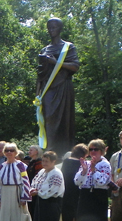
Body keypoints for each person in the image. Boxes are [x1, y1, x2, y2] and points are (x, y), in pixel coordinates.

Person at [36, 18, 80, 158]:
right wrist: (37, 94)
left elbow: (75, 66)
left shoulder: (68, 47)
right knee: (48, 117)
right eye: (49, 27)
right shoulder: (45, 49)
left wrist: (56, 62)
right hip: (48, 88)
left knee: (65, 119)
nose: (51, 30)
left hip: (63, 86)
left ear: (60, 28)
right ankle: (50, 150)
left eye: (54, 27)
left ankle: (65, 150)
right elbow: (40, 75)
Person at [73, 139, 111, 221]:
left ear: (102, 151)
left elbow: (101, 182)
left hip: (99, 195)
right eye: (91, 149)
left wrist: (94, 170)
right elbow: (77, 182)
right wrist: (84, 171)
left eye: (96, 149)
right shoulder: (86, 163)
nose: (93, 152)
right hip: (85, 195)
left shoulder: (105, 164)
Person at [0, 142, 32, 221]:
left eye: (12, 150)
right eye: (7, 150)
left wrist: (24, 197)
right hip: (5, 192)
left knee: (17, 218)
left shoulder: (20, 165)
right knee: (5, 218)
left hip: (17, 192)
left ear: (16, 152)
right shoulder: (2, 166)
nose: (9, 152)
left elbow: (25, 181)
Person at [30, 151, 65, 221]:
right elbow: (34, 182)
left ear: (53, 161)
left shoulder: (56, 173)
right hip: (41, 201)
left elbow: (53, 190)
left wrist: (38, 192)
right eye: (43, 161)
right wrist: (32, 189)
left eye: (47, 161)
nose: (44, 163)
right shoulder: (42, 172)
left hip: (52, 202)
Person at [61, 144, 88, 221]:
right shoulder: (81, 163)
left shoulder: (66, 161)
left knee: (66, 219)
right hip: (78, 193)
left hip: (66, 192)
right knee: (78, 219)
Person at [27, 145, 43, 217]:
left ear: (36, 152)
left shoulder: (39, 162)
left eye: (31, 150)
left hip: (35, 188)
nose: (29, 152)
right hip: (29, 186)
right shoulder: (31, 162)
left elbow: (38, 176)